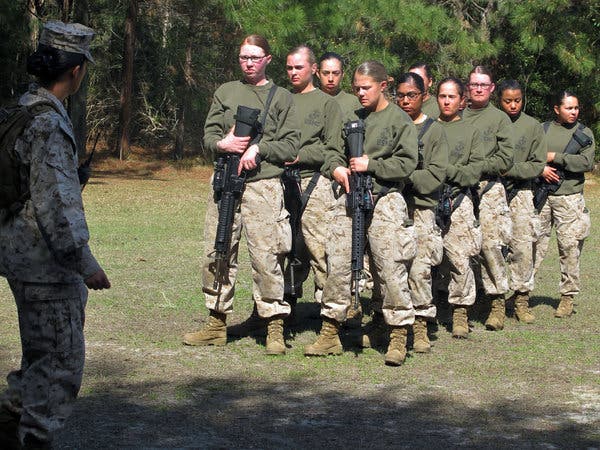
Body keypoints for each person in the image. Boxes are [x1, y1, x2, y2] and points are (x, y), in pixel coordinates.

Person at [0, 20, 111, 448]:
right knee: (60, 362)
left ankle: (11, 421)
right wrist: (84, 263)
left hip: (17, 255)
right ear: (77, 71)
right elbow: (56, 206)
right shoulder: (49, 124)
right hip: (46, 266)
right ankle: (34, 438)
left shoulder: (22, 107)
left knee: (39, 356)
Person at [183, 35, 300, 355]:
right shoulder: (226, 91)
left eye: (254, 57)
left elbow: (291, 146)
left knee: (268, 255)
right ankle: (216, 323)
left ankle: (273, 325)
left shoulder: (282, 98)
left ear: (267, 59)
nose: (248, 62)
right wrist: (223, 145)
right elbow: (208, 135)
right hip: (224, 182)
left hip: (263, 186)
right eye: (243, 57)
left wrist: (260, 150)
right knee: (217, 250)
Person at [307, 61, 418, 365]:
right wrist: (336, 168)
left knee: (389, 264)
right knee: (338, 260)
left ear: (384, 85)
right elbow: (330, 150)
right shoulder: (351, 117)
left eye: (365, 87)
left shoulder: (399, 120)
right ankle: (330, 331)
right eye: (356, 87)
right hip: (351, 195)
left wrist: (374, 166)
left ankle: (397, 334)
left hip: (385, 196)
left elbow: (408, 163)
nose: (359, 93)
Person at [282, 45, 343, 308]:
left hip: (313, 183)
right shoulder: (280, 99)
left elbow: (333, 148)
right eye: (289, 68)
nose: (293, 73)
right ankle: (280, 308)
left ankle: (330, 314)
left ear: (313, 69)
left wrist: (301, 155)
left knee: (320, 251)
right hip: (279, 181)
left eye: (299, 67)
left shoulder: (327, 103)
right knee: (282, 249)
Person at [396, 72, 448, 352]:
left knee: (419, 270)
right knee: (390, 269)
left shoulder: (435, 130)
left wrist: (402, 174)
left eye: (411, 95)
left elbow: (434, 177)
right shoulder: (392, 124)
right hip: (392, 207)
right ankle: (388, 322)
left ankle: (420, 325)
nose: (405, 101)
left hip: (421, 209)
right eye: (401, 95)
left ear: (424, 96)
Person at [533, 91, 595, 317]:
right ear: (556, 109)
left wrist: (555, 157)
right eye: (569, 108)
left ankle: (567, 297)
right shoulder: (543, 129)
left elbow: (586, 162)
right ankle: (522, 292)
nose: (574, 112)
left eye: (576, 108)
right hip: (542, 195)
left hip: (569, 198)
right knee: (533, 244)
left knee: (569, 248)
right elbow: (529, 155)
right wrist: (541, 167)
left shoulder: (584, 133)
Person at [462, 66, 514, 331]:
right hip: (460, 188)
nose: (478, 89)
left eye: (483, 85)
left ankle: (496, 304)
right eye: (474, 84)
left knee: (491, 247)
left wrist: (475, 166)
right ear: (468, 87)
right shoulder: (457, 114)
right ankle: (463, 305)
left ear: (492, 88)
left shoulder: (499, 119)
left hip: (489, 188)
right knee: (461, 248)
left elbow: (506, 158)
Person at [435, 77, 484, 338]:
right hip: (429, 200)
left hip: (459, 200)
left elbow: (473, 173)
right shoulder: (427, 128)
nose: (446, 101)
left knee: (460, 259)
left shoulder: (471, 132)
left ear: (462, 101)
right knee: (426, 260)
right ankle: (425, 313)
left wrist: (445, 171)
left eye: (451, 96)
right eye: (442, 96)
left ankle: (461, 313)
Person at [497, 80, 546, 323]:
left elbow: (537, 164)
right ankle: (493, 300)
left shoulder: (532, 126)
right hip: (493, 191)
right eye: (508, 100)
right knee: (491, 247)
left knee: (523, 247)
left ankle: (521, 299)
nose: (513, 105)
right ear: (500, 99)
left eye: (517, 100)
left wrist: (510, 170)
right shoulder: (493, 122)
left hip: (523, 192)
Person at [317, 52, 361, 122]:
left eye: (336, 73)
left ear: (342, 74)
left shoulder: (354, 103)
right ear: (318, 73)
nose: (330, 79)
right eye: (326, 73)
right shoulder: (309, 100)